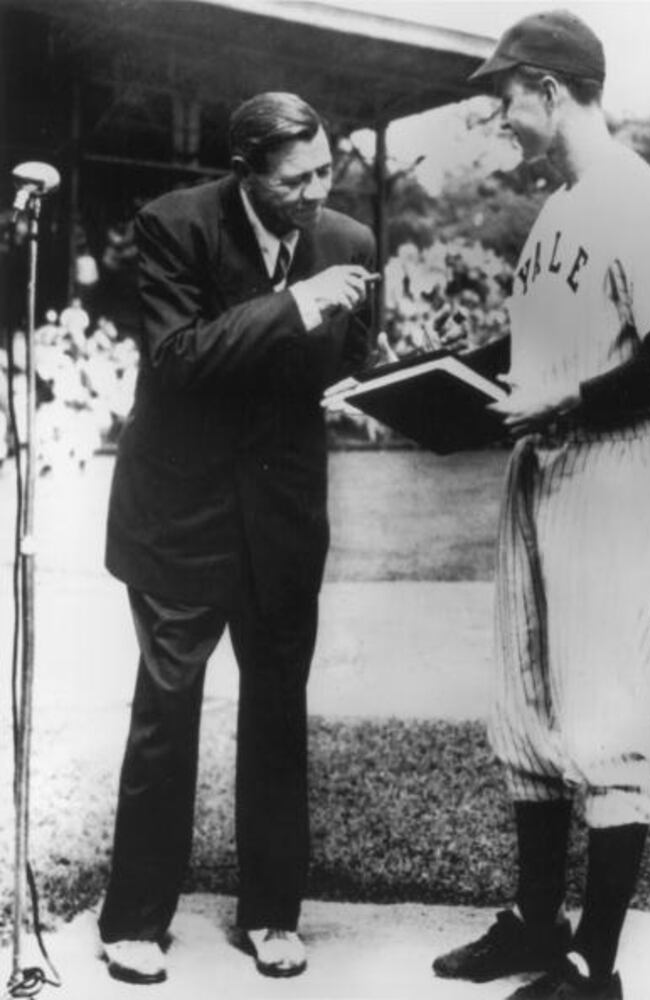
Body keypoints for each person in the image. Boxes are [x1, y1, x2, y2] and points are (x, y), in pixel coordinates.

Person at [432, 12, 650, 1000]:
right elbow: (539, 353)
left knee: (601, 717)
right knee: (527, 707)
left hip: (612, 467)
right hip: (541, 464)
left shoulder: (640, 200)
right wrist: (432, 394)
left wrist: (566, 402)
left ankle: (593, 965)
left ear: (549, 89)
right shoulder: (557, 211)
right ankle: (537, 925)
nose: (498, 117)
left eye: (505, 98)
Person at [98, 91, 376, 985]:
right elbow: (176, 361)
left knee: (277, 714)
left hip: (283, 519)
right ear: (246, 171)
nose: (314, 193)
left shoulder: (350, 244)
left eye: (325, 171)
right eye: (294, 180)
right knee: (166, 713)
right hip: (181, 516)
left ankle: (273, 915)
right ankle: (136, 920)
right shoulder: (172, 224)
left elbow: (350, 361)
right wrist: (293, 305)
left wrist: (381, 386)